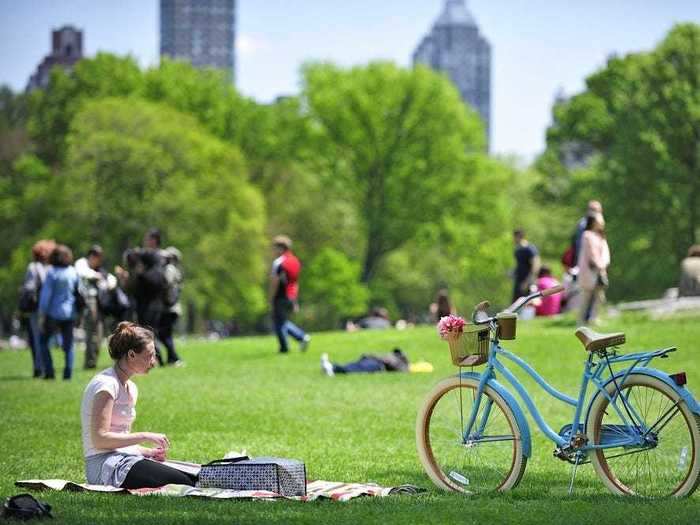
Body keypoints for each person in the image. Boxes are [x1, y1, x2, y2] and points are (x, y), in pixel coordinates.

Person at [81, 322, 196, 488]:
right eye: (149, 356)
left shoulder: (131, 388)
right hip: (105, 465)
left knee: (189, 476)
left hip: (125, 458)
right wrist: (145, 435)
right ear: (131, 355)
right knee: (183, 482)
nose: (154, 362)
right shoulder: (106, 385)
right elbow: (100, 440)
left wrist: (148, 452)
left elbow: (120, 436)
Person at [38, 244, 79, 380]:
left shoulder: (51, 272)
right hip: (70, 313)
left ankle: (49, 372)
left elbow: (45, 296)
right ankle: (68, 373)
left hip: (53, 313)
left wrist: (42, 314)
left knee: (43, 342)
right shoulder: (73, 271)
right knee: (69, 344)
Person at [269, 235, 310, 354]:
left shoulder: (279, 262)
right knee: (282, 321)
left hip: (281, 296)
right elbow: (295, 282)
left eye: (275, 248)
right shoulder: (295, 261)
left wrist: (271, 298)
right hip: (291, 296)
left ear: (281, 248)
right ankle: (301, 337)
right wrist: (295, 300)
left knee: (278, 323)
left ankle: (284, 348)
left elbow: (275, 282)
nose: (274, 251)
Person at [20, 239, 55, 377]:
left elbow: (29, 288)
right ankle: (42, 367)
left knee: (37, 338)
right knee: (42, 338)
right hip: (48, 308)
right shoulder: (52, 268)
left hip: (37, 308)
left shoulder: (33, 267)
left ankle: (39, 368)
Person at [75, 245, 107, 369]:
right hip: (89, 301)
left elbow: (108, 279)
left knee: (99, 334)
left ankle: (92, 361)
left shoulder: (99, 268)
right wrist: (97, 276)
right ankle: (89, 363)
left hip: (99, 302)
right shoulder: (82, 263)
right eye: (98, 258)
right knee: (91, 333)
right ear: (92, 256)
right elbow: (82, 273)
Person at [577, 213, 610, 325]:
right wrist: (599, 265)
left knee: (599, 296)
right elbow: (592, 254)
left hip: (600, 270)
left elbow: (605, 253)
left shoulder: (601, 236)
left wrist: (603, 264)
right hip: (590, 270)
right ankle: (581, 320)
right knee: (586, 296)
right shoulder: (587, 235)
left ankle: (593, 318)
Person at [158, 246, 184, 366]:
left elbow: (165, 283)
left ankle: (174, 357)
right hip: (173, 308)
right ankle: (171, 358)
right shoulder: (175, 269)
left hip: (169, 308)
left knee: (163, 334)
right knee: (165, 334)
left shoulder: (169, 269)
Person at [321, 348, 409, 377]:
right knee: (354, 366)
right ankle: (332, 367)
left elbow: (401, 369)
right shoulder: (393, 358)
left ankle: (332, 368)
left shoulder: (401, 364)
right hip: (373, 361)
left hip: (378, 365)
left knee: (356, 368)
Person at [512, 229, 541, 303]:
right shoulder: (518, 250)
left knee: (526, 304)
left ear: (518, 237)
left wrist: (528, 281)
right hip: (519, 281)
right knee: (516, 304)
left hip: (527, 282)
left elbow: (536, 265)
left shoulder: (529, 249)